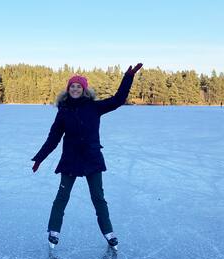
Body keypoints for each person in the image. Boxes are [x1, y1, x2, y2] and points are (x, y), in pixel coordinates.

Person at [31, 63, 143, 249]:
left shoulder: (94, 107)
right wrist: (40, 157)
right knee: (62, 196)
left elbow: (118, 99)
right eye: (72, 86)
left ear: (84, 90)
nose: (75, 89)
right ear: (68, 89)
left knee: (98, 197)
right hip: (70, 159)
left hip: (92, 158)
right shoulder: (63, 111)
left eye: (78, 86)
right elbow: (53, 138)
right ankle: (53, 230)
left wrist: (128, 77)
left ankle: (109, 232)